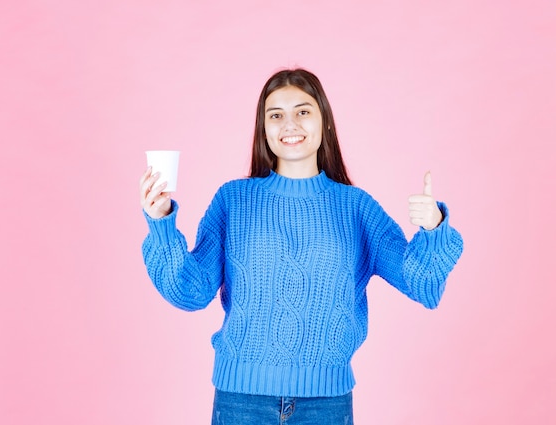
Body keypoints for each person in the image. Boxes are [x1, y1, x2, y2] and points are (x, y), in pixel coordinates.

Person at [139, 68, 464, 425]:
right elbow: (190, 290)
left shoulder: (356, 207)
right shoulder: (233, 199)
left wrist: (433, 228)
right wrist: (162, 223)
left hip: (325, 405)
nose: (289, 124)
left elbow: (424, 285)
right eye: (276, 115)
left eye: (303, 111)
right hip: (241, 403)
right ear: (264, 129)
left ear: (324, 122)